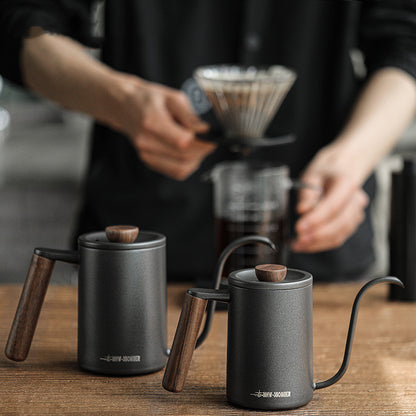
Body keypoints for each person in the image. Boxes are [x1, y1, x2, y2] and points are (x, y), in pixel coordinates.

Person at [0, 0, 415, 282]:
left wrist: (352, 158)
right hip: (137, 253)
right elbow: (19, 23)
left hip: (317, 263)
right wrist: (121, 101)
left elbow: (407, 39)